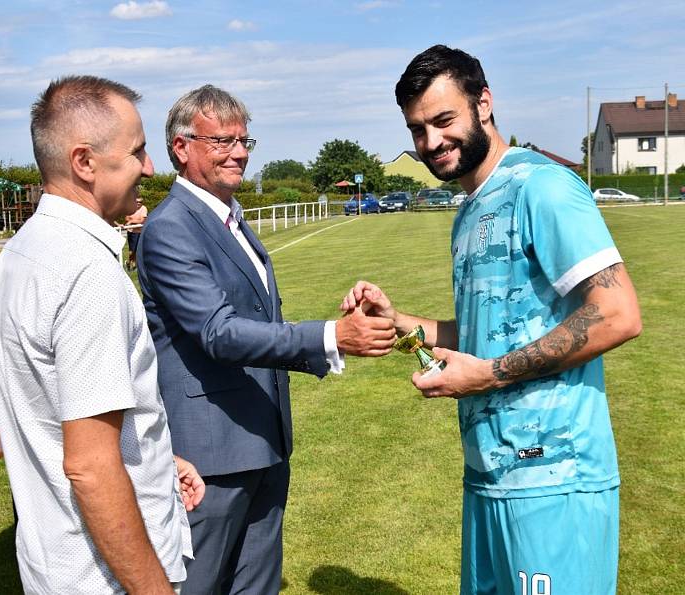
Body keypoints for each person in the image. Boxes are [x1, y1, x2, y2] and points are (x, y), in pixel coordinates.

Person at [342, 45, 642, 595]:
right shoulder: (469, 210)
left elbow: (618, 313)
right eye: (417, 129)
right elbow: (486, 332)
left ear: (484, 102)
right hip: (489, 476)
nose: (431, 142)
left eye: (443, 120)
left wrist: (490, 375)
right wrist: (399, 320)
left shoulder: (542, 187)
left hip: (554, 478)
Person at [137, 84, 396, 595]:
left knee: (257, 586)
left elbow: (252, 319)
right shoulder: (171, 228)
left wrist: (325, 334)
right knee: (201, 584)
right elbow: (218, 331)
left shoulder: (227, 216)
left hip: (262, 440)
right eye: (222, 142)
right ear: (181, 148)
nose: (239, 153)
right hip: (210, 456)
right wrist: (330, 337)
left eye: (245, 140)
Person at [0, 75, 203, 595]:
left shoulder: (20, 253)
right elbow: (90, 466)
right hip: (103, 577)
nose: (149, 167)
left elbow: (59, 413)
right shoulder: (86, 273)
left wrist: (152, 456)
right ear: (85, 162)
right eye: (137, 152)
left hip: (55, 566)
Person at [124, 196, 148, 271]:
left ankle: (131, 263)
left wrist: (131, 221)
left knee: (136, 249)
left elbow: (142, 221)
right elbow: (126, 218)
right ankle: (130, 262)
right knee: (132, 250)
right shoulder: (130, 206)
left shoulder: (143, 208)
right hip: (131, 231)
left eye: (140, 202)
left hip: (139, 231)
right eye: (137, 202)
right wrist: (133, 220)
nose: (138, 203)